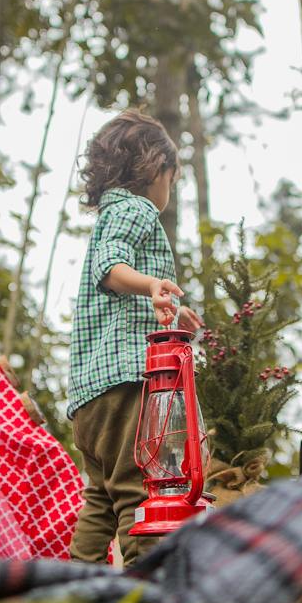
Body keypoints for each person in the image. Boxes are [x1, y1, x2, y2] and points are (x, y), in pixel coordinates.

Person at [67, 109, 203, 565]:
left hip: (90, 396)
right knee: (137, 492)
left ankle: (72, 593)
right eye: (172, 179)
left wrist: (163, 307)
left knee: (99, 501)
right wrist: (150, 285)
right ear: (154, 170)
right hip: (126, 383)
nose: (169, 190)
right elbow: (112, 267)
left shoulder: (109, 214)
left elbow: (114, 287)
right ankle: (143, 595)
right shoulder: (137, 209)